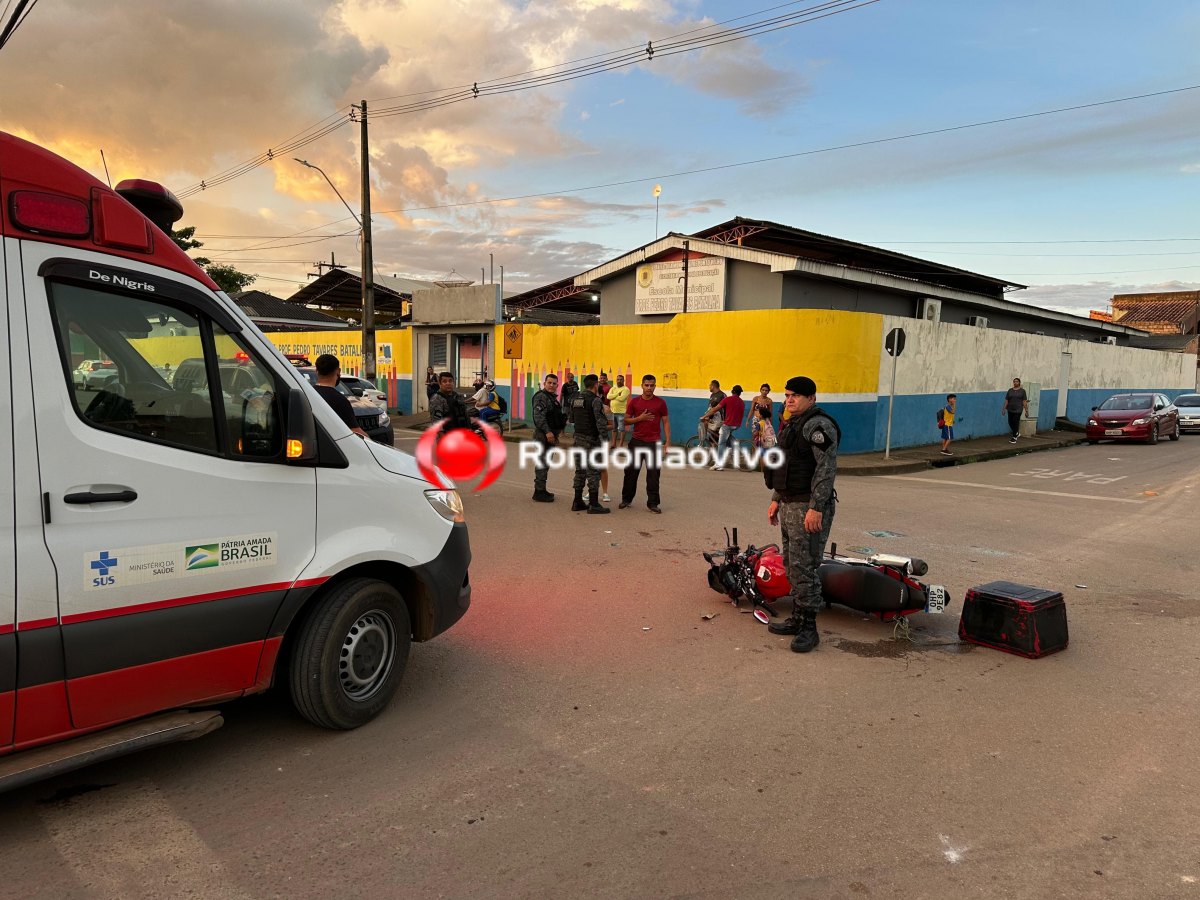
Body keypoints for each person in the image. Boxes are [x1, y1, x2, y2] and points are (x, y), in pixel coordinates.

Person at [765, 376, 840, 653]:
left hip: (808, 508)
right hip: (789, 504)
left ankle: (810, 628)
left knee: (804, 567)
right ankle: (797, 618)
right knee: (791, 563)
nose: (789, 400)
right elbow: (786, 466)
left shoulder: (818, 425)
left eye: (796, 395)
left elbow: (825, 469)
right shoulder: (793, 425)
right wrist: (776, 499)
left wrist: (816, 508)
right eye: (787, 395)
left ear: (811, 398)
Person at [620, 374, 670, 513]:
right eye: (646, 385)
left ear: (655, 386)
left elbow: (665, 422)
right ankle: (626, 499)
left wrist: (667, 442)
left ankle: (653, 503)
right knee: (630, 473)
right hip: (636, 442)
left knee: (654, 474)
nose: (649, 388)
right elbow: (625, 420)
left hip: (653, 443)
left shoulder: (661, 403)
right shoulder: (634, 402)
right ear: (642, 385)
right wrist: (640, 418)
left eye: (652, 385)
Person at [568, 374, 611, 514]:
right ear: (595, 385)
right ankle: (593, 504)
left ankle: (577, 501)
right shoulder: (595, 400)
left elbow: (572, 419)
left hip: (578, 439)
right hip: (591, 440)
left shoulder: (575, 399)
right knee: (593, 471)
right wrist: (605, 440)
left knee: (580, 470)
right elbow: (600, 422)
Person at [314, 353, 366, 438]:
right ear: (338, 371)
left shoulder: (308, 394)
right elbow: (356, 432)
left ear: (316, 371)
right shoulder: (340, 401)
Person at [531, 373, 565, 502]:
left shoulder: (551, 398)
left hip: (550, 435)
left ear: (557, 385)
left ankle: (542, 489)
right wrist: (548, 432)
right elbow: (539, 417)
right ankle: (539, 492)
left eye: (554, 383)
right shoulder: (541, 397)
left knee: (546, 463)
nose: (551, 385)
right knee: (542, 462)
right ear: (544, 383)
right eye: (549, 383)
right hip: (543, 435)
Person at [702, 384, 746, 470]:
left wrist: (704, 416)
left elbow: (715, 409)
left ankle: (719, 464)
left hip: (728, 424)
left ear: (732, 391)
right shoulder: (742, 402)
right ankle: (736, 448)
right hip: (736, 425)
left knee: (721, 443)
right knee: (728, 438)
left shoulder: (727, 399)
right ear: (740, 393)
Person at [697, 380, 725, 447]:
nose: (709, 387)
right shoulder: (712, 395)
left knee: (715, 437)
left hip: (718, 419)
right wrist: (707, 416)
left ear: (713, 386)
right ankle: (711, 452)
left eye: (710, 386)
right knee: (711, 437)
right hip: (712, 418)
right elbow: (710, 408)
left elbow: (718, 408)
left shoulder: (722, 395)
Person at [1002, 377, 1029, 443]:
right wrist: (1004, 408)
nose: (1015, 383)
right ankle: (1016, 432)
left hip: (1018, 409)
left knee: (1015, 422)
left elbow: (1024, 401)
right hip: (1010, 409)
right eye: (1014, 381)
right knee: (1010, 422)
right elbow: (1006, 400)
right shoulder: (1010, 390)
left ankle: (1014, 437)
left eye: (1017, 381)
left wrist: (1026, 410)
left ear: (1019, 383)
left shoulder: (1022, 391)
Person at [608, 374, 631, 448]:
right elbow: (608, 397)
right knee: (614, 429)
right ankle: (614, 444)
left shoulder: (626, 389)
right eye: (618, 379)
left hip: (621, 412)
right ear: (616, 380)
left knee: (621, 429)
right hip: (612, 411)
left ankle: (620, 445)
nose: (619, 381)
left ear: (623, 380)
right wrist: (618, 394)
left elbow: (622, 399)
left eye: (621, 379)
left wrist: (613, 397)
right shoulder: (613, 388)